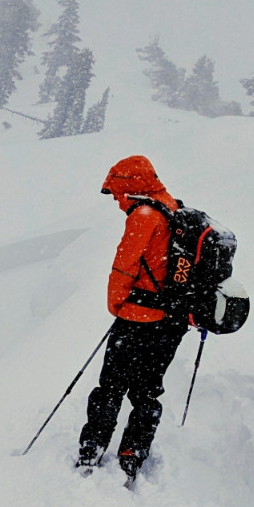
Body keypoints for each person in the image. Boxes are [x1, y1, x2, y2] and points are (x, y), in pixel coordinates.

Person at [76, 155, 190, 481]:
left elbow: (123, 268)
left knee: (110, 388)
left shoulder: (143, 216)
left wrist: (117, 307)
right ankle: (132, 456)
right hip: (173, 320)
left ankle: (92, 450)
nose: (116, 202)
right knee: (147, 391)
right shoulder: (175, 210)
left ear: (130, 186)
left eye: (117, 194)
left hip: (139, 318)